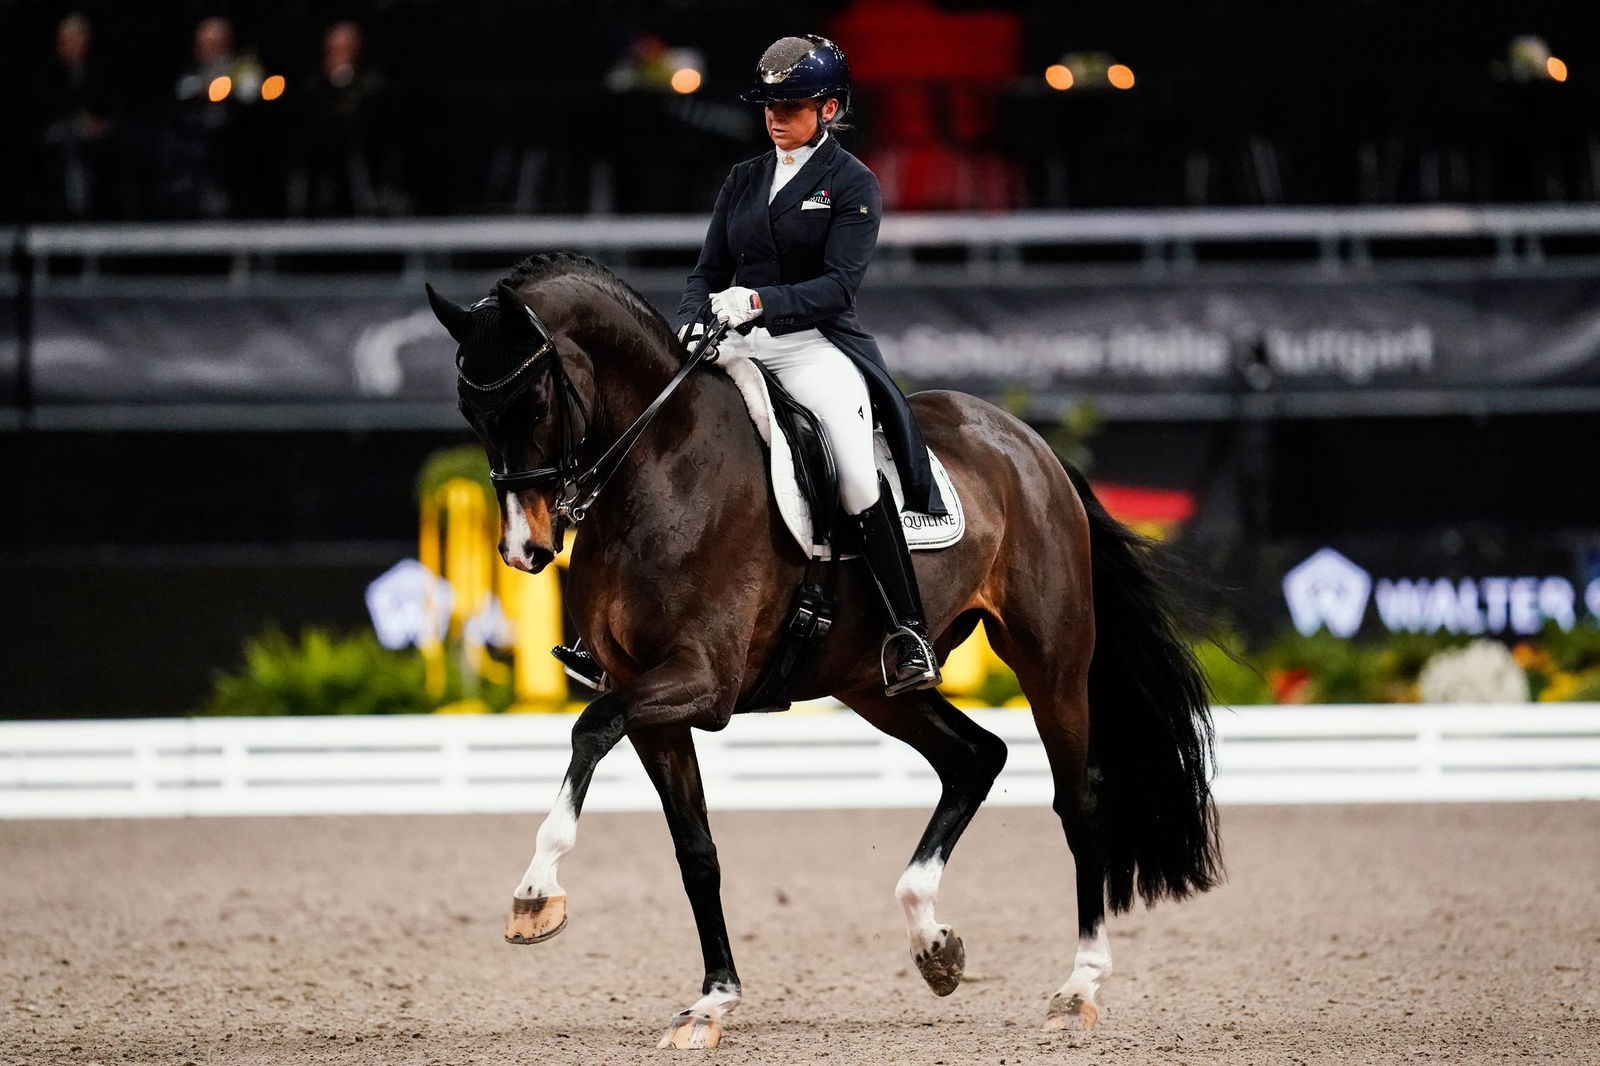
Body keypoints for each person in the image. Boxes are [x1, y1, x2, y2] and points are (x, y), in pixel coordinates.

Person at [684, 34, 947, 696]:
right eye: (769, 105)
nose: (776, 117)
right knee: (665, 433)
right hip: (740, 341)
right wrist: (693, 315)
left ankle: (908, 631)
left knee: (857, 474)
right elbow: (707, 270)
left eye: (793, 105)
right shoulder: (744, 179)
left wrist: (759, 300)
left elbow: (839, 286)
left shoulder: (852, 184)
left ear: (829, 109)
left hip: (815, 345)